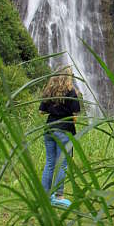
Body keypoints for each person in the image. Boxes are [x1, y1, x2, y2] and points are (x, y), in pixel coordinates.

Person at [39, 66, 80, 207]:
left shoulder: (49, 90)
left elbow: (41, 112)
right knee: (62, 164)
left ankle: (44, 195)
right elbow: (75, 116)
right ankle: (59, 196)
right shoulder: (71, 92)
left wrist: (54, 109)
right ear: (69, 77)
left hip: (49, 129)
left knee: (50, 163)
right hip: (64, 130)